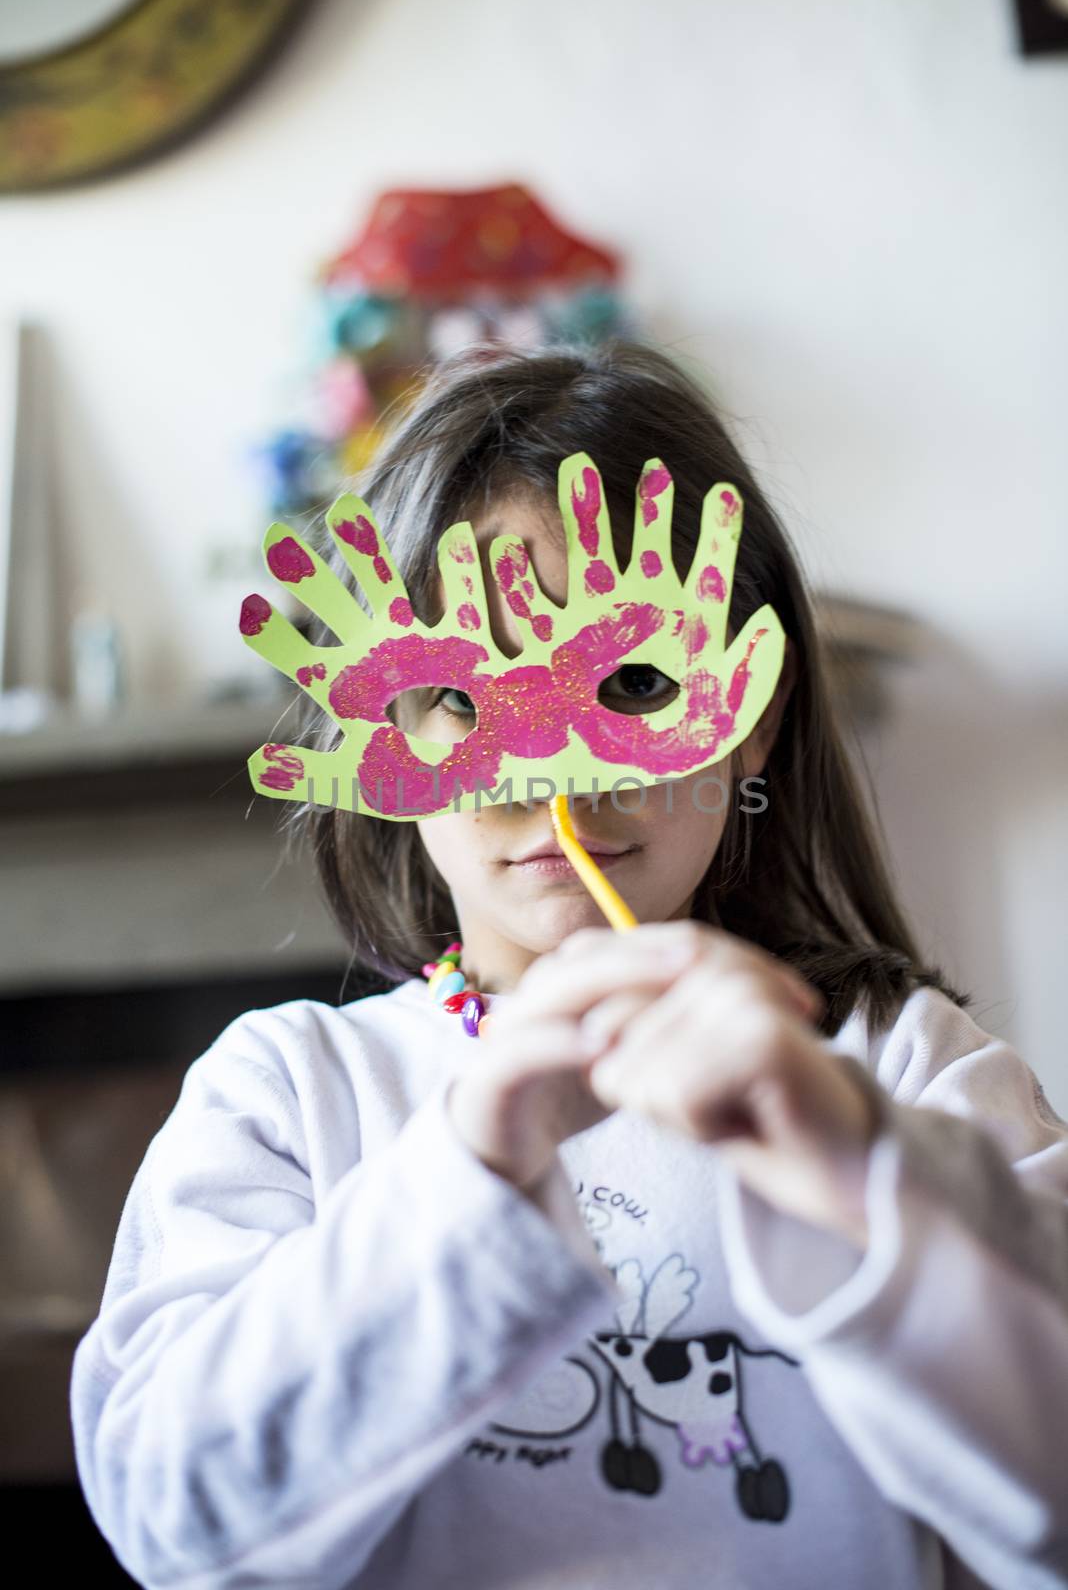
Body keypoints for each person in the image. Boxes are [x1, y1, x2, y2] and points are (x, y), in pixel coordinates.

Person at [70, 341, 1068, 1590]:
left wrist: (861, 1175)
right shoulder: (287, 1098)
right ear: (381, 738)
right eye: (459, 696)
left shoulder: (902, 1066)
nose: (556, 779)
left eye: (635, 679)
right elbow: (172, 1517)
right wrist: (473, 1157)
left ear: (752, 715)